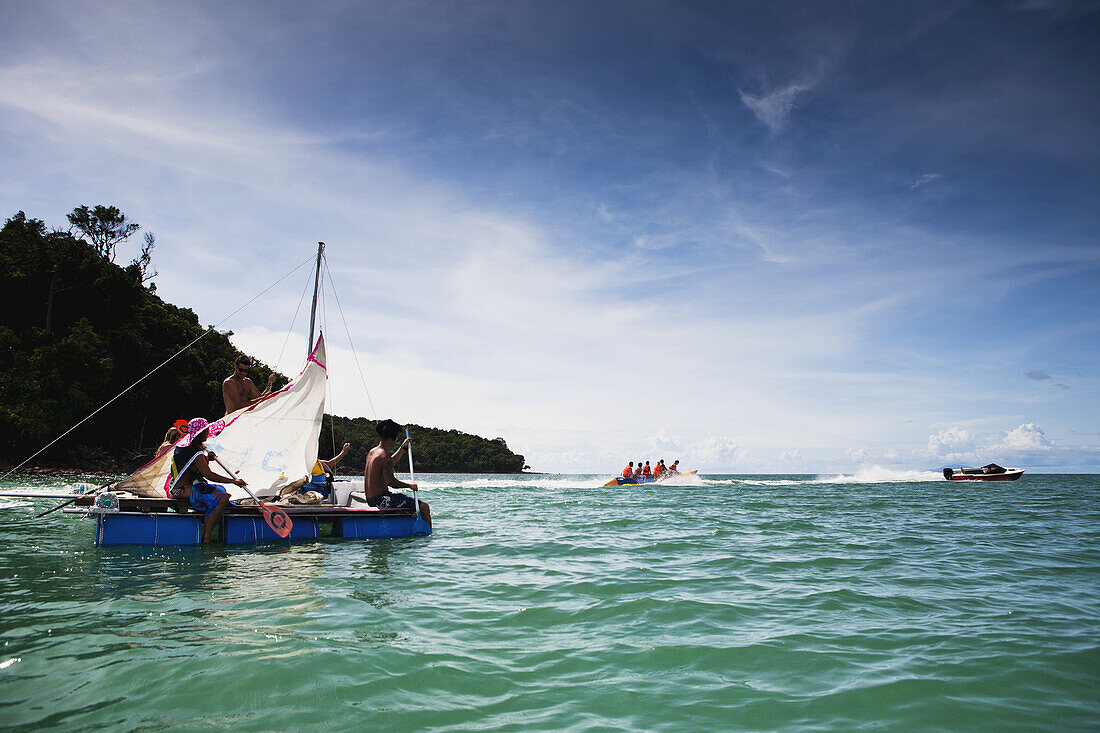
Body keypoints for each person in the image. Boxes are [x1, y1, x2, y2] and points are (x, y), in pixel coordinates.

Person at [168, 417, 246, 543]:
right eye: (206, 430)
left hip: (184, 487)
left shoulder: (191, 446)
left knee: (220, 490)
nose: (208, 432)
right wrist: (234, 481)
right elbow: (208, 475)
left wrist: (207, 458)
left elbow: (193, 466)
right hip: (180, 490)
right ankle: (207, 537)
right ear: (201, 433)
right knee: (223, 497)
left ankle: (208, 525)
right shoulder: (195, 451)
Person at [364, 419, 431, 528]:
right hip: (381, 500)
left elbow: (390, 462)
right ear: (393, 438)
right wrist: (409, 486)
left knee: (406, 500)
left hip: (371, 499)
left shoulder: (373, 452)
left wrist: (402, 448)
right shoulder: (383, 456)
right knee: (424, 507)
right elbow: (391, 482)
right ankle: (429, 536)